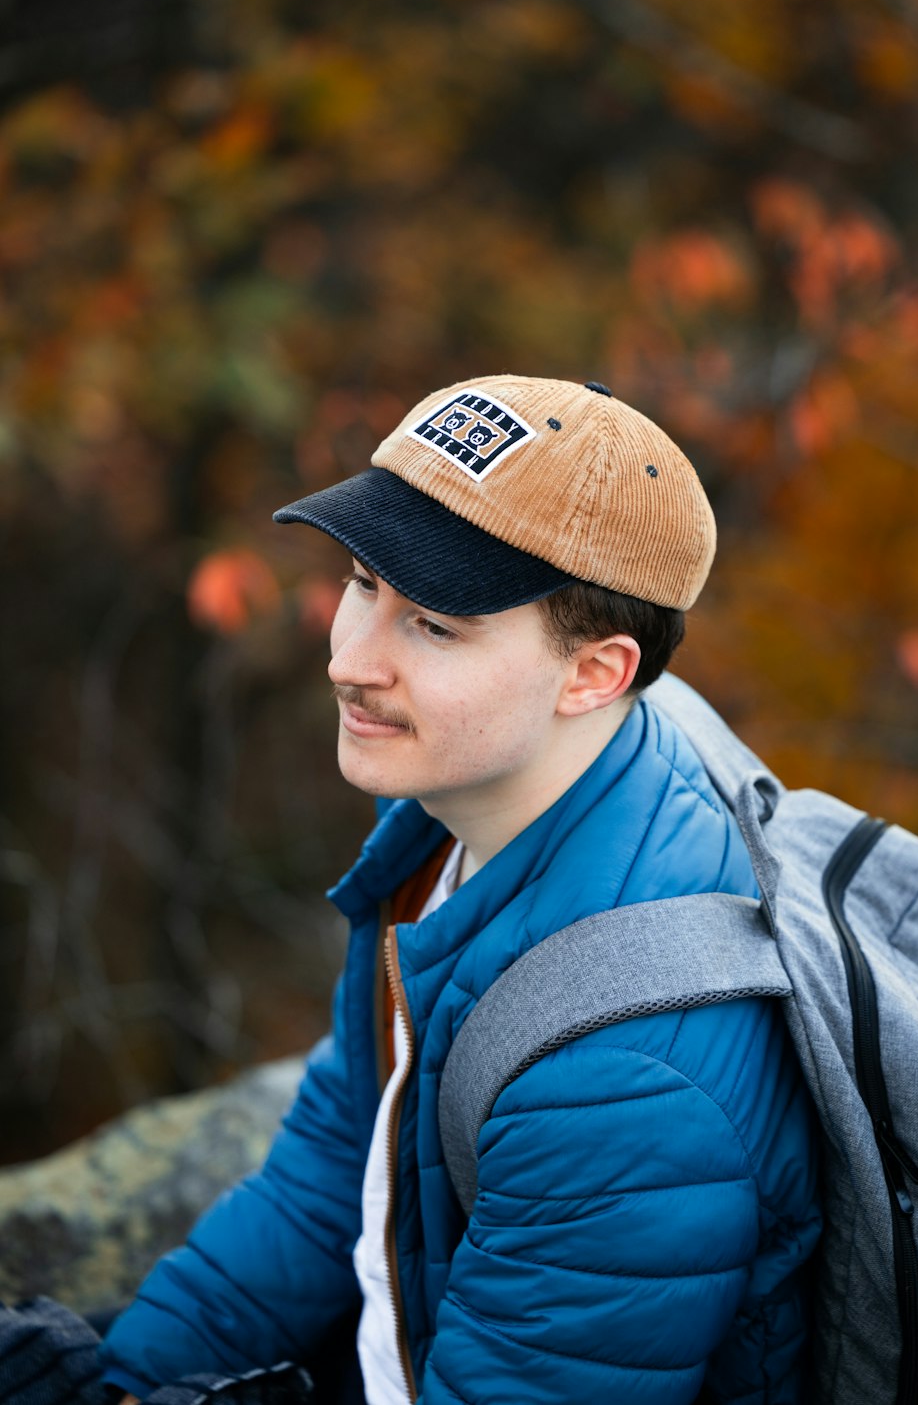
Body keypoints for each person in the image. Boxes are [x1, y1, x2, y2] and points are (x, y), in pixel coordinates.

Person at [101, 375, 821, 1405]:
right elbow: (336, 1166)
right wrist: (125, 1380)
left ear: (594, 675)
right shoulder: (462, 812)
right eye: (361, 583)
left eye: (434, 625)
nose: (351, 660)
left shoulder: (623, 1073)